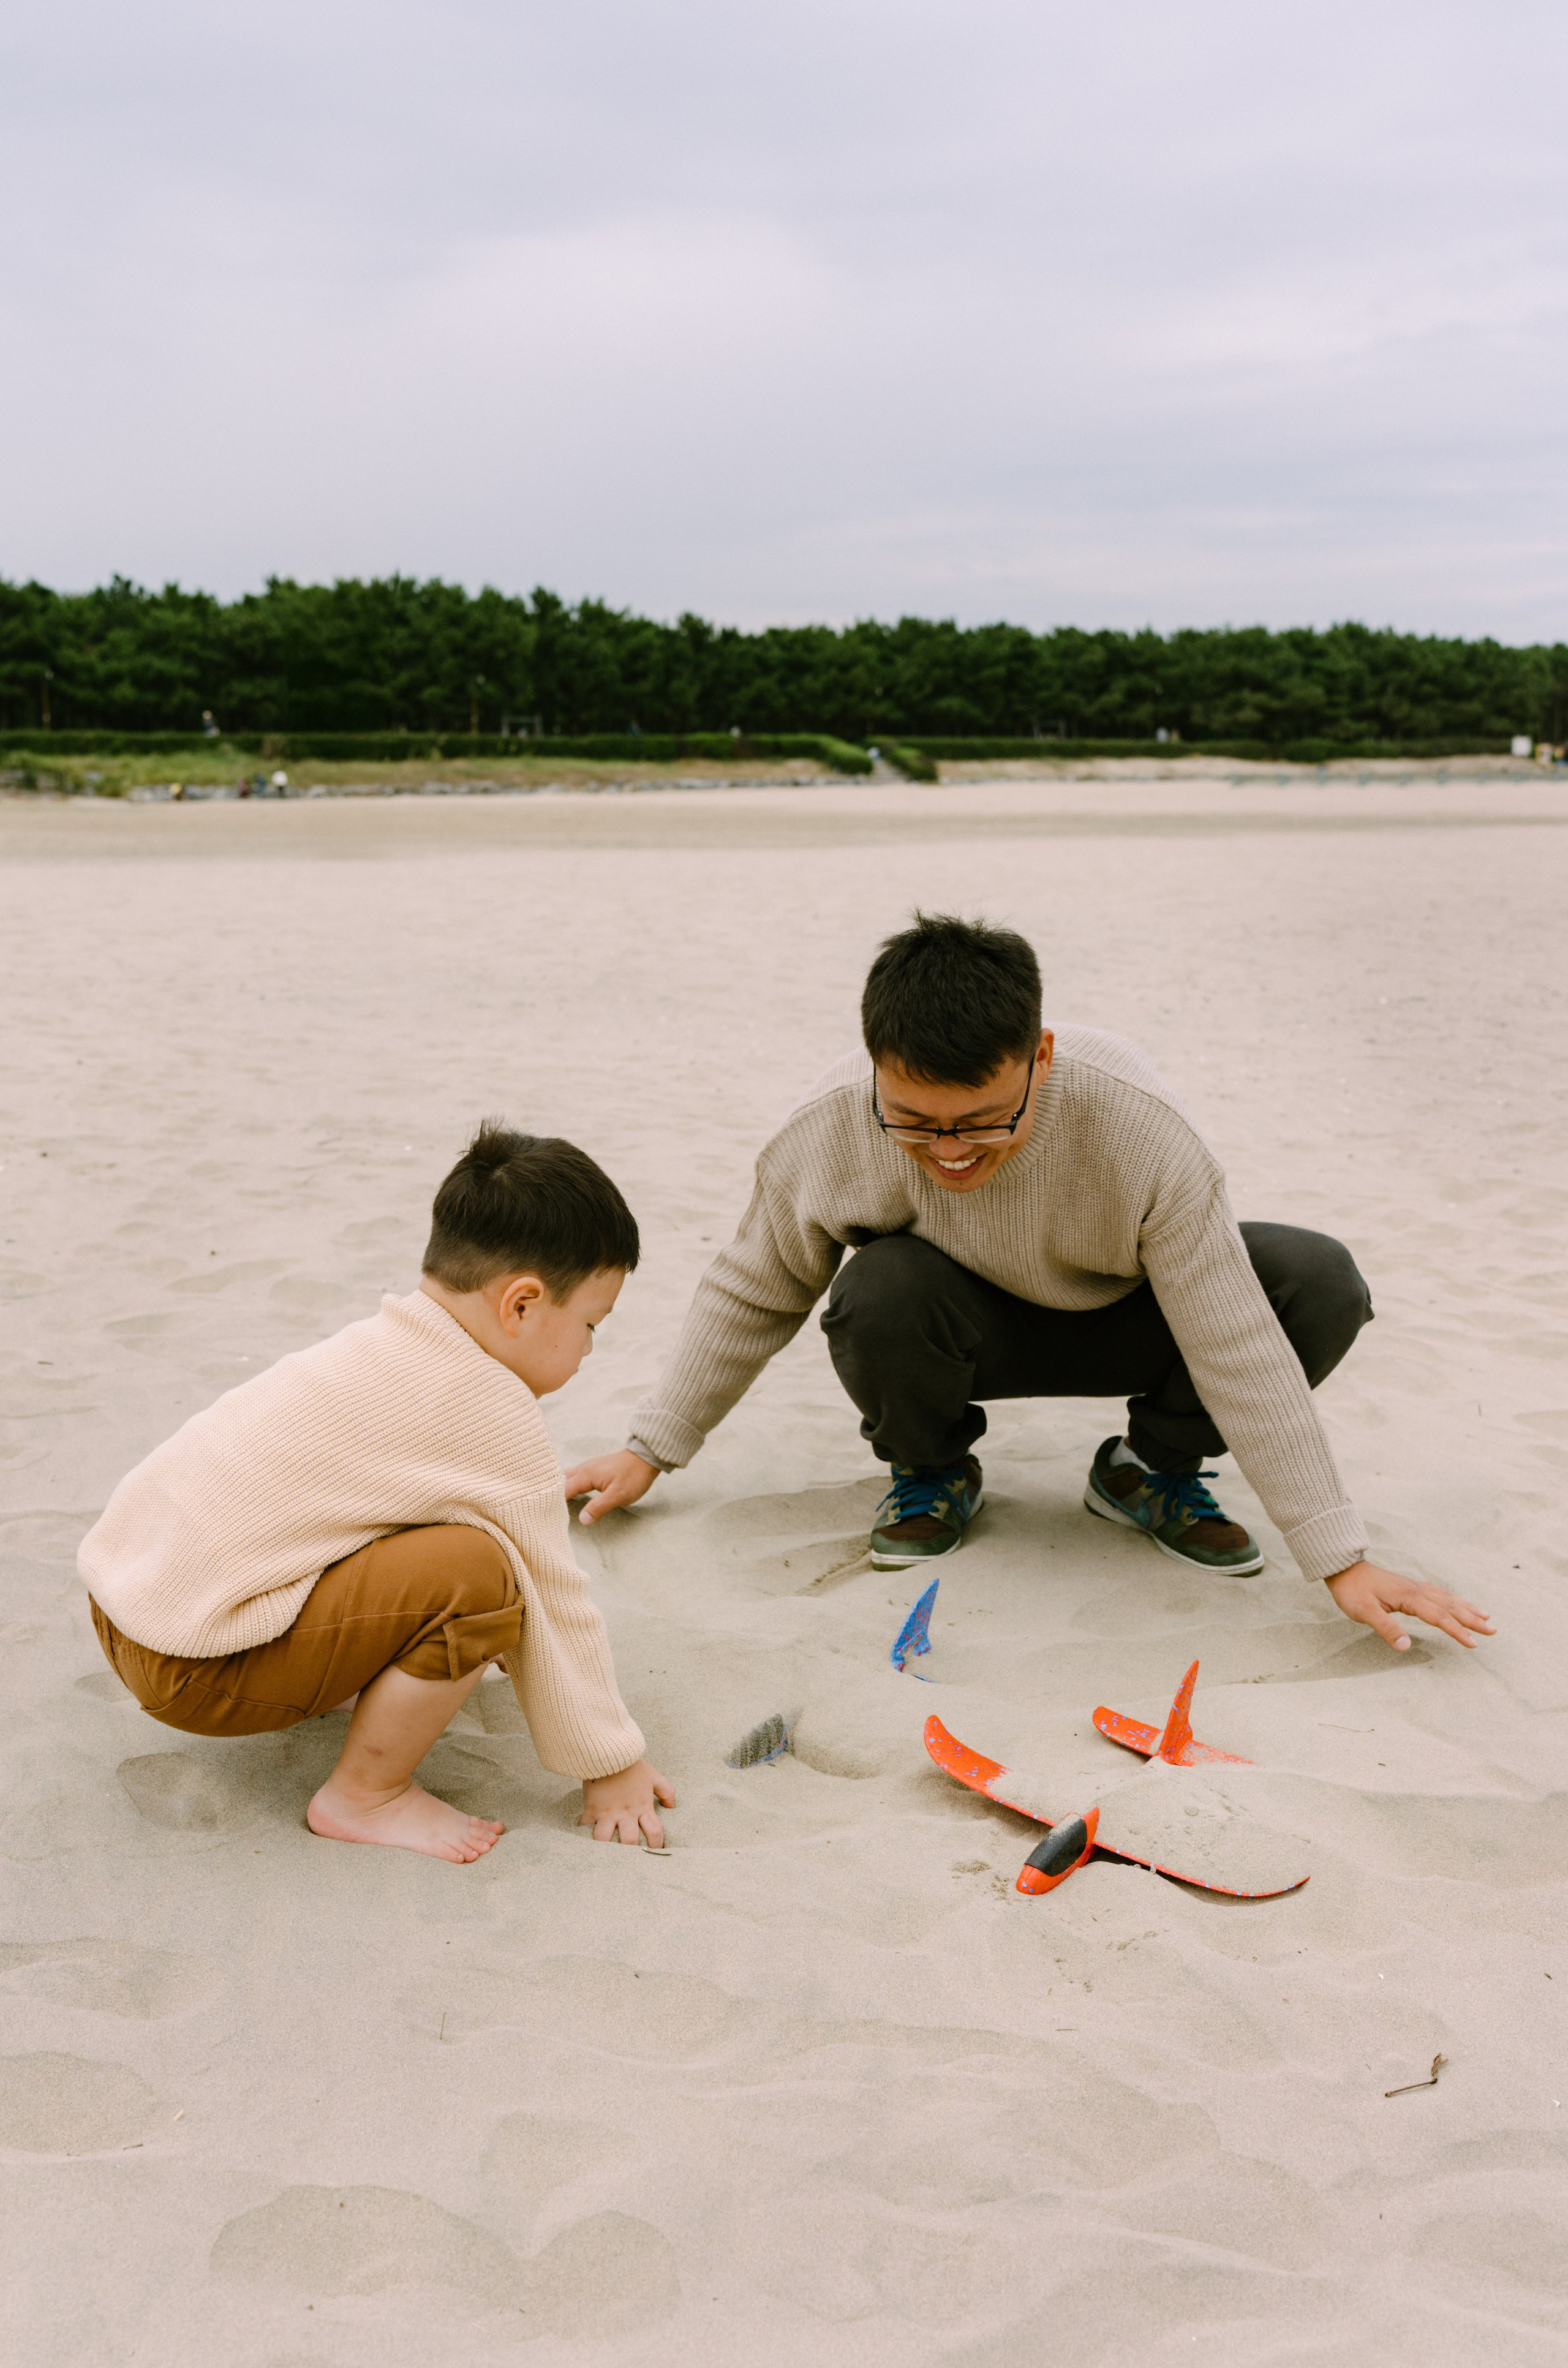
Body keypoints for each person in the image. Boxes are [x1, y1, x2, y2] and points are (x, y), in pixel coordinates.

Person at [565, 913, 1492, 1657]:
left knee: (1318, 1280)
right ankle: (933, 1473)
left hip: (1132, 1317)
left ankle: (1150, 1471)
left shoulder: (1138, 1127)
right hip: (959, 1330)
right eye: (915, 1122)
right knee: (877, 1289)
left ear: (1039, 1057)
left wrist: (1340, 1558)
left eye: (981, 1120)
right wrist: (652, 1448)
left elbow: (1235, 1339)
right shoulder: (831, 1123)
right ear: (874, 1063)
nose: (950, 1150)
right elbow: (754, 1287)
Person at [80, 1125, 673, 1862]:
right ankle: (367, 1794)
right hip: (197, 1666)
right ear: (521, 1305)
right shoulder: (491, 1410)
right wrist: (610, 1762)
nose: (588, 1347)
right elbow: (555, 1593)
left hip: (127, 1601)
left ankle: (353, 1682)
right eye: (589, 1324)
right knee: (486, 1575)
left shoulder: (378, 1346)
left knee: (431, 1539)